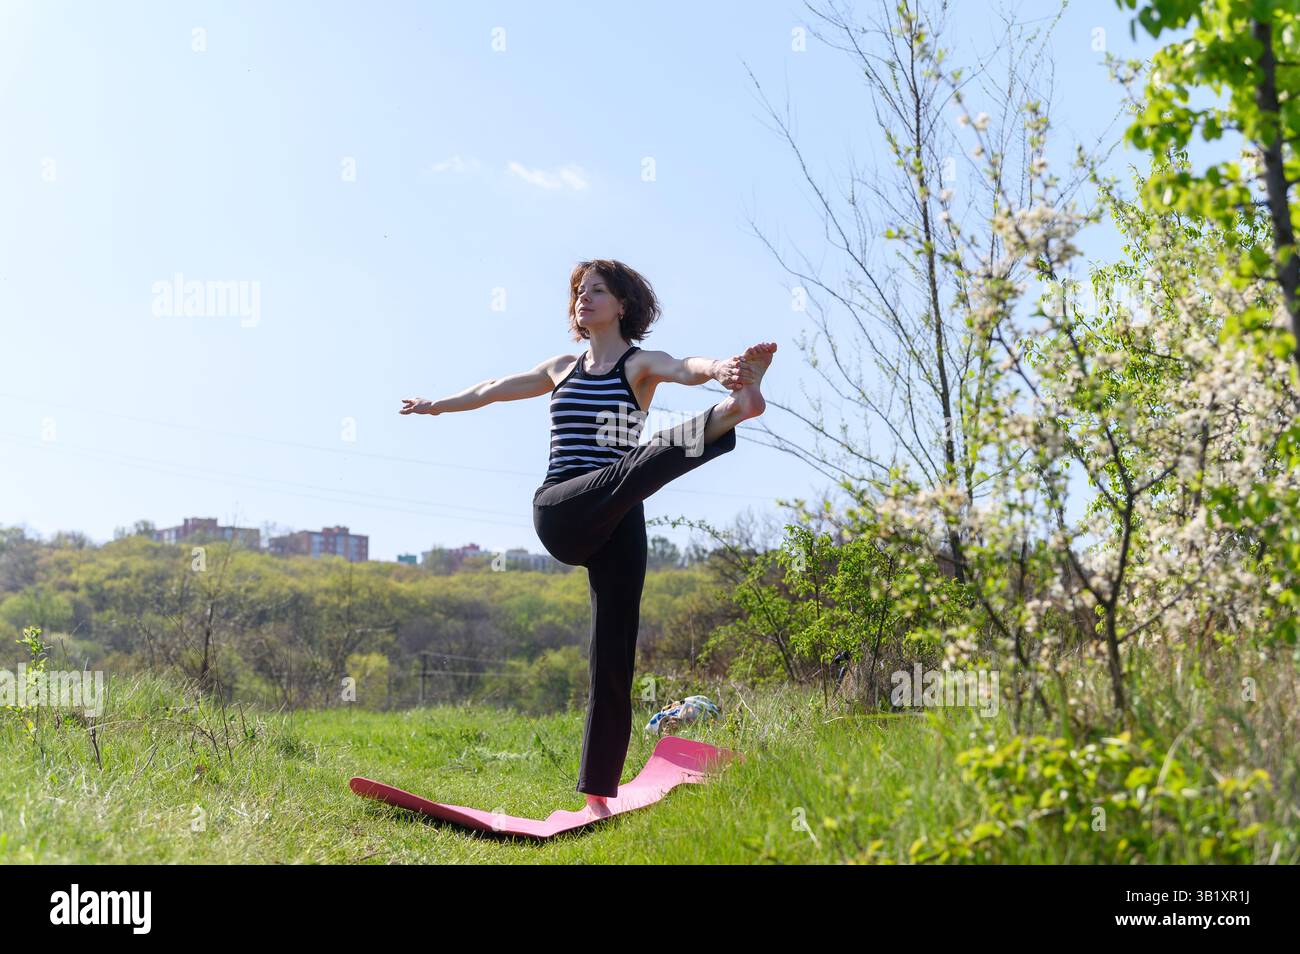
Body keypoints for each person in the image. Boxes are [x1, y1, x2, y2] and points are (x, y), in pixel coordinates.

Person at [400, 258, 775, 816]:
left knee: (614, 652)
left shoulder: (639, 364)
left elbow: (683, 366)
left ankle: (598, 793)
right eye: (579, 291)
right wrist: (439, 404)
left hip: (619, 515)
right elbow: (494, 389)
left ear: (621, 304)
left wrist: (721, 366)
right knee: (642, 462)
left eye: (596, 291)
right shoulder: (560, 367)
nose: (584, 299)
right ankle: (730, 415)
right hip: (564, 509)